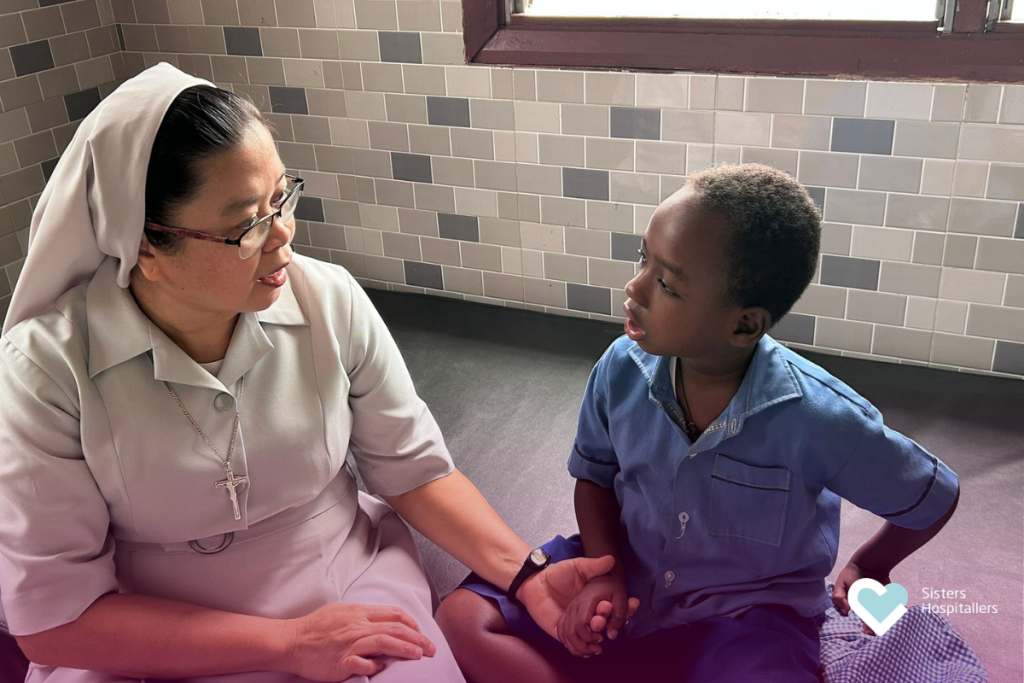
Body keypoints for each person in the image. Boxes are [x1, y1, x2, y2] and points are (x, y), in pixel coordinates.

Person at [0, 63, 614, 683]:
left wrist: (528, 575)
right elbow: (55, 617)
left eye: (281, 198)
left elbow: (414, 470)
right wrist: (288, 644)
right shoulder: (45, 369)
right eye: (247, 225)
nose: (283, 237)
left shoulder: (327, 299)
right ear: (147, 246)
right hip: (147, 630)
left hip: (339, 581)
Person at [437, 164, 961, 683]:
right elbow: (595, 478)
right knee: (462, 619)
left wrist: (869, 565)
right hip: (627, 568)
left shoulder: (820, 417)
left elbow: (933, 497)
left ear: (743, 324)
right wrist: (606, 572)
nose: (635, 287)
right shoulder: (622, 367)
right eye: (644, 258)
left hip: (747, 618)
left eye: (665, 283)